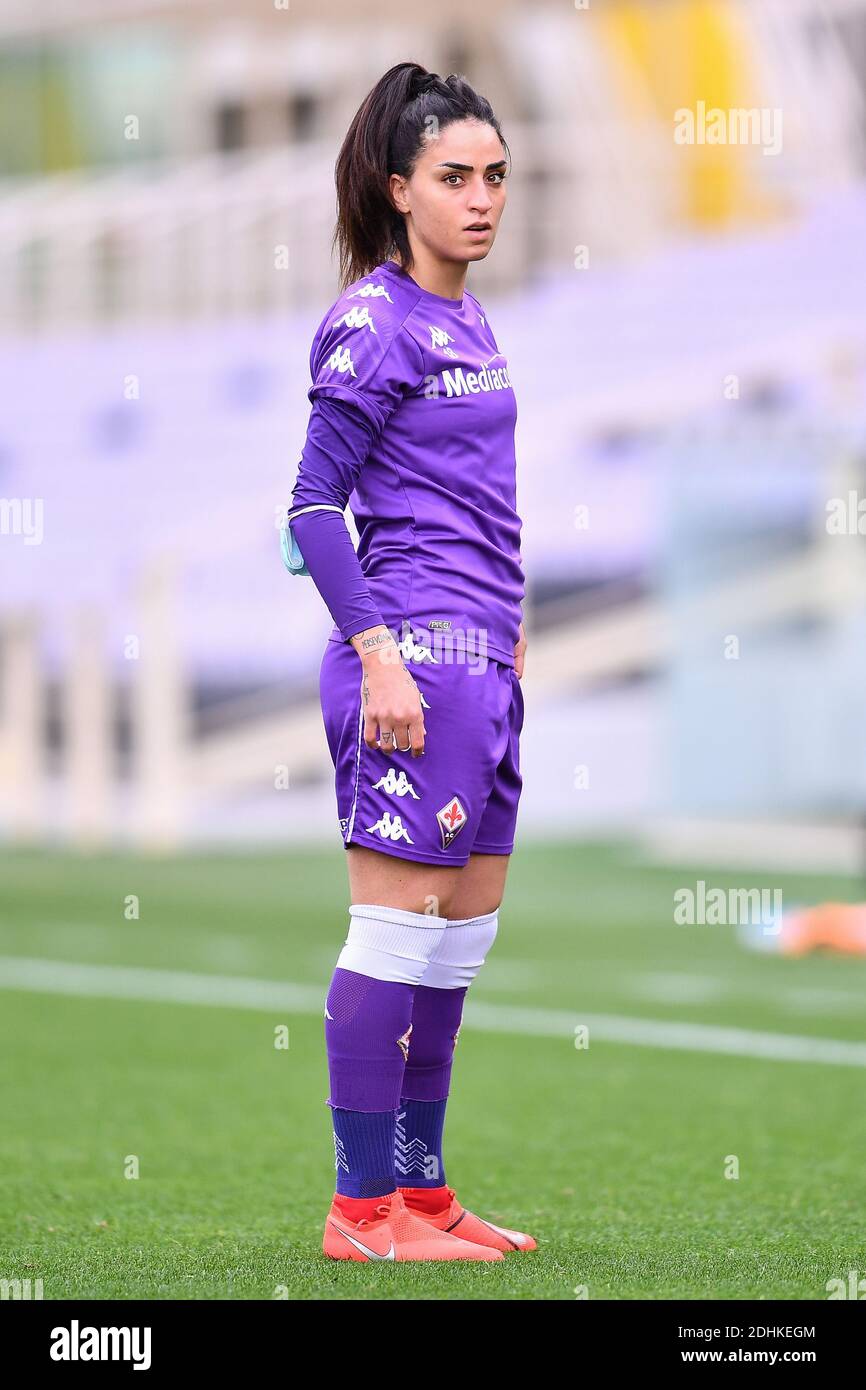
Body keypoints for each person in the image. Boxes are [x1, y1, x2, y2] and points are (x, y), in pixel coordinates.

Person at [286, 61, 536, 1263]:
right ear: (398, 188)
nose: (480, 198)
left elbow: (469, 496)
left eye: (494, 176)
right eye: (454, 178)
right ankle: (356, 1211)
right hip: (410, 664)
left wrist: (510, 636)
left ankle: (424, 1196)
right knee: (393, 935)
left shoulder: (469, 315)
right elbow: (311, 509)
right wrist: (379, 655)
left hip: (485, 667)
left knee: (458, 941)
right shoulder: (371, 320)